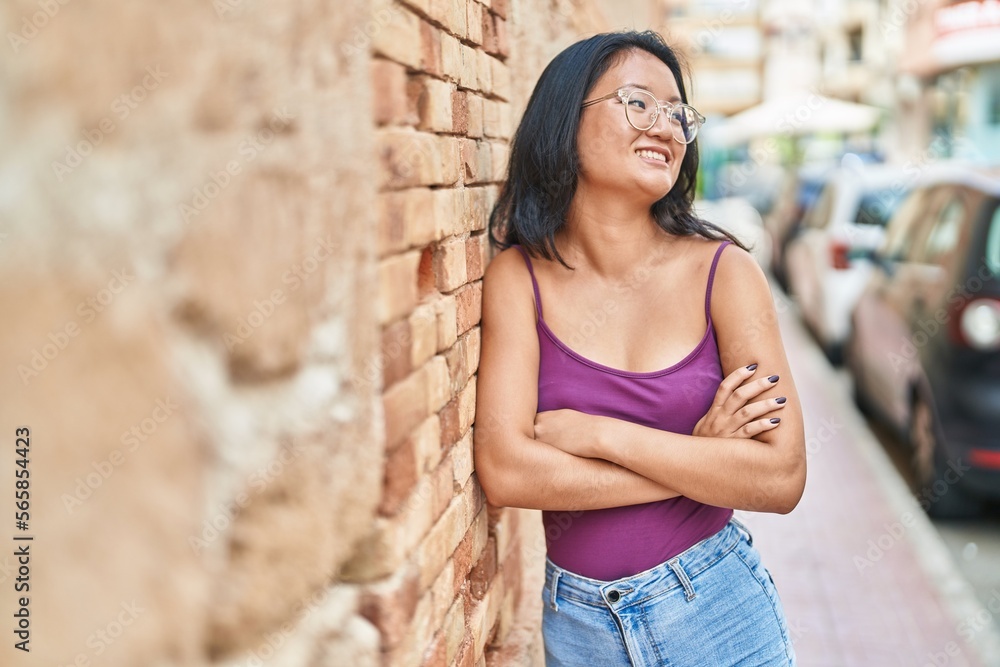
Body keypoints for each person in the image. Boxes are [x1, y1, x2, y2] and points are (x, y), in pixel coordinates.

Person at [473, 30, 806, 666]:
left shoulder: (725, 272)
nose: (667, 127)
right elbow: (508, 471)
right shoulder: (518, 279)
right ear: (566, 120)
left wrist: (600, 435)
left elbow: (781, 476)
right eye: (637, 103)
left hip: (717, 610)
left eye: (679, 113)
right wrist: (699, 461)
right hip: (577, 629)